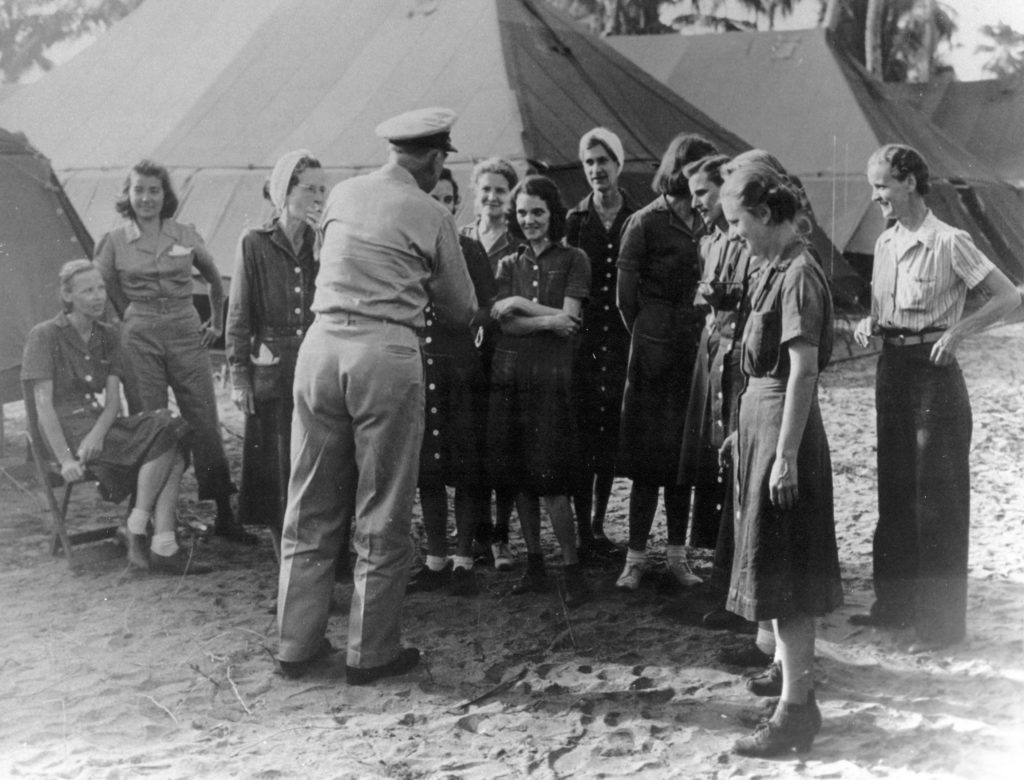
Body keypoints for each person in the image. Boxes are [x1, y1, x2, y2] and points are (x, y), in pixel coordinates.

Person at [275, 108, 477, 684]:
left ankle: (295, 645)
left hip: (320, 345)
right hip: (385, 352)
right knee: (382, 507)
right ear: (435, 158)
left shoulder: (342, 193)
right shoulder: (433, 212)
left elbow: (326, 258)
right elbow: (461, 308)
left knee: (309, 503)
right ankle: (370, 653)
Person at [852, 144, 1019, 653]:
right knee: (894, 490)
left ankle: (942, 626)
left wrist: (960, 331)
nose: (875, 196)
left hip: (934, 375)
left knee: (936, 501)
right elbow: (887, 309)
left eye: (881, 185)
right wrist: (868, 323)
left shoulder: (950, 241)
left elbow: (1009, 296)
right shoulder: (885, 242)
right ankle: (895, 606)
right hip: (891, 370)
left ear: (909, 182)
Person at [719, 160, 842, 757]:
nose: (734, 235)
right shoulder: (772, 267)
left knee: (787, 576)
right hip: (763, 427)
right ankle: (794, 694)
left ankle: (795, 712)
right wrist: (744, 434)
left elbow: (803, 372)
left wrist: (786, 456)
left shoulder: (798, 275)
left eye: (738, 223)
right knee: (774, 568)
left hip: (783, 433)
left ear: (766, 214)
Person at [94, 160, 253, 544]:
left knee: (204, 419)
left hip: (185, 333)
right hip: (139, 338)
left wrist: (216, 323)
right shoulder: (113, 241)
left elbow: (215, 279)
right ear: (128, 194)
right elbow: (103, 287)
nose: (146, 198)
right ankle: (154, 518)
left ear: (165, 195)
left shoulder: (185, 233)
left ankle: (224, 513)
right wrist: (128, 315)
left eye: (155, 190)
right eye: (139, 190)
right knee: (151, 424)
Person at [22, 260, 201, 575]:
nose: (98, 296)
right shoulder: (45, 334)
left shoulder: (108, 334)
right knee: (170, 445)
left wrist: (97, 434)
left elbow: (114, 400)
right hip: (65, 434)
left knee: (170, 427)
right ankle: (158, 542)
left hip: (99, 427)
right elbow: (43, 405)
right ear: (67, 295)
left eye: (101, 288)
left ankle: (142, 529)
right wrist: (65, 459)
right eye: (87, 291)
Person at [614, 133, 715, 591]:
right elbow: (624, 300)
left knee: (683, 458)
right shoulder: (644, 222)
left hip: (695, 346)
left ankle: (677, 557)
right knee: (647, 458)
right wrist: (649, 333)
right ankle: (635, 559)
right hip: (653, 346)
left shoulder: (710, 220)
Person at [488, 174, 590, 607]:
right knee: (520, 479)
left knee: (553, 481)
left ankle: (571, 568)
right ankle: (534, 565)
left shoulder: (574, 259)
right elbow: (505, 323)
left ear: (553, 214)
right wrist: (546, 319)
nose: (529, 220)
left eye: (538, 212)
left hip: (553, 380)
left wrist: (521, 306)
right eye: (523, 212)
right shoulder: (508, 264)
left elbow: (571, 320)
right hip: (513, 379)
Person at [677, 153, 762, 630]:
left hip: (739, 361)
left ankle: (738, 590)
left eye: (703, 193)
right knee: (715, 468)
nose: (697, 203)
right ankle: (722, 581)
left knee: (736, 470)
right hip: (714, 355)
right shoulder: (711, 241)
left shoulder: (747, 242)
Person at [225, 151, 324, 553]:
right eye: (309, 189)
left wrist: (325, 246)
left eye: (322, 189)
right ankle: (287, 559)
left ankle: (324, 556)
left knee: (319, 460)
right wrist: (239, 376)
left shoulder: (325, 241)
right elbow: (239, 313)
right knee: (276, 466)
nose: (318, 197)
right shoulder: (254, 242)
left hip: (318, 363)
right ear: (285, 191)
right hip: (273, 369)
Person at [407, 168, 497, 597]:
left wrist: (464, 320)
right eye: (432, 197)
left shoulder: (470, 249)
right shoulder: (408, 246)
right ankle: (436, 559)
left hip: (460, 368)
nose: (439, 206)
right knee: (428, 468)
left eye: (447, 199)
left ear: (456, 205)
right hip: (422, 368)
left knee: (465, 465)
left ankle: (463, 560)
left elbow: (487, 306)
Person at [565, 127, 636, 563]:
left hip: (623, 337)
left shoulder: (636, 216)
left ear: (617, 164)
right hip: (586, 340)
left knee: (610, 433)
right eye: (589, 162)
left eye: (603, 161)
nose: (596, 170)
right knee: (583, 434)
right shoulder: (575, 220)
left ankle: (597, 522)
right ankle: (581, 529)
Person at [460, 157, 521, 571]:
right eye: (486, 189)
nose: (492, 197)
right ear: (475, 192)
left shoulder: (517, 241)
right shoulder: (461, 237)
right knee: (472, 443)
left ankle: (501, 534)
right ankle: (477, 533)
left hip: (504, 350)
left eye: (501, 190)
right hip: (467, 352)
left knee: (502, 444)